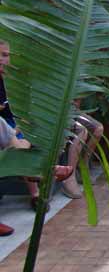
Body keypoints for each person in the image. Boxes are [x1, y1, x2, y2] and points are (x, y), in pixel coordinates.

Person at [0, 42, 74, 211]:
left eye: (5, 55)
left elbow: (28, 108)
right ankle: (38, 181)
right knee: (20, 141)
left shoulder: (17, 78)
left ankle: (40, 177)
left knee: (41, 132)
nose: (1, 60)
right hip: (6, 126)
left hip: (16, 124)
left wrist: (24, 125)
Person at [61, 113, 104, 199]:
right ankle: (69, 177)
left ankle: (82, 167)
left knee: (98, 129)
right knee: (82, 131)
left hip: (71, 110)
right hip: (57, 111)